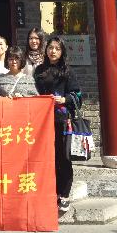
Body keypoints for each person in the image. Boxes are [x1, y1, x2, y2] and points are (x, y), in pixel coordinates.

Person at [33, 36, 82, 213]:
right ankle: (51, 192)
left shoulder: (67, 71)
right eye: (50, 48)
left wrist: (64, 99)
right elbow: (34, 92)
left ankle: (64, 194)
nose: (53, 51)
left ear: (62, 52)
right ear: (46, 50)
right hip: (42, 121)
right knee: (47, 157)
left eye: (57, 48)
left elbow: (78, 96)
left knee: (63, 158)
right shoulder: (39, 70)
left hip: (61, 120)